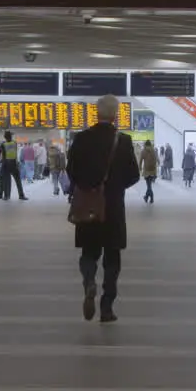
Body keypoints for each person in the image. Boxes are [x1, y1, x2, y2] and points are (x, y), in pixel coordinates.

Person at [68, 95, 141, 324]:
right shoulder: (124, 141)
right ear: (115, 114)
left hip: (88, 206)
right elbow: (134, 175)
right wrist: (115, 188)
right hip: (113, 209)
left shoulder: (80, 139)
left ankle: (89, 282)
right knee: (112, 258)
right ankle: (107, 308)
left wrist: (86, 187)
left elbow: (71, 170)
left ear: (96, 114)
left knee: (88, 253)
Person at [0, 131, 27, 201]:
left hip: (6, 163)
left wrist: (1, 161)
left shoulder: (3, 144)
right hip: (14, 163)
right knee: (18, 180)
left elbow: (1, 154)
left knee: (7, 181)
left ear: (5, 137)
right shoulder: (14, 143)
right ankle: (21, 195)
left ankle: (7, 196)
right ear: (11, 136)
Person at [139, 140, 159, 204]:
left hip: (146, 171)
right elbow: (157, 160)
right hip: (153, 170)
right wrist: (158, 164)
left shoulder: (143, 151)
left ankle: (151, 198)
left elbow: (140, 160)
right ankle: (146, 197)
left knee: (149, 186)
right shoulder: (154, 151)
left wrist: (140, 168)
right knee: (149, 185)